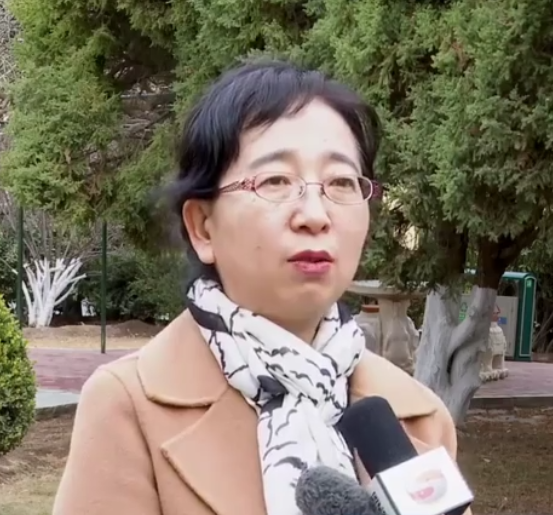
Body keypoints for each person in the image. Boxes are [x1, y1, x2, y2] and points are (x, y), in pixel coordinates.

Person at [53, 59, 466, 515]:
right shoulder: (128, 405)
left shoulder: (420, 417)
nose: (315, 215)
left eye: (341, 182)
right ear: (202, 227)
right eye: (275, 181)